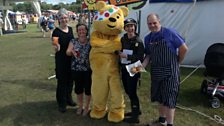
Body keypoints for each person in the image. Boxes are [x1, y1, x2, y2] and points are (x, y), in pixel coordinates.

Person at [142, 13, 188, 126]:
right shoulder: (147, 38)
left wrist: (178, 61)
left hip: (170, 72)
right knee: (160, 97)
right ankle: (162, 121)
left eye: (154, 23)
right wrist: (141, 66)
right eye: (149, 24)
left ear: (159, 21)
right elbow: (148, 55)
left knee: (169, 99)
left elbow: (184, 48)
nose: (152, 25)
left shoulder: (170, 33)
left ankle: (170, 124)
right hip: (156, 72)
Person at [118, 18, 144, 123]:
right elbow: (121, 50)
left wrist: (127, 56)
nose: (130, 28)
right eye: (128, 26)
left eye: (132, 26)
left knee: (132, 91)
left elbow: (140, 58)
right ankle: (136, 110)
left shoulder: (138, 41)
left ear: (135, 27)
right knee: (128, 90)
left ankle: (135, 117)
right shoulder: (123, 39)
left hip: (135, 67)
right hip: (124, 67)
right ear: (125, 28)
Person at [52, 8, 76, 113]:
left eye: (65, 17)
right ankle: (61, 103)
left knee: (70, 81)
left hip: (71, 59)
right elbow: (55, 42)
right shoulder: (56, 31)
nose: (64, 19)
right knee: (62, 82)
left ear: (68, 18)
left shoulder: (70, 29)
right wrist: (56, 45)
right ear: (58, 19)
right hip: (61, 60)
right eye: (61, 18)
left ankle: (69, 99)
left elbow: (73, 41)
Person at [66, 23, 92, 116]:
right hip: (76, 69)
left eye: (83, 29)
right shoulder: (73, 41)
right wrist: (71, 51)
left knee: (88, 89)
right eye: (79, 30)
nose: (81, 31)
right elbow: (68, 52)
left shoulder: (91, 41)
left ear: (86, 31)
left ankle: (87, 107)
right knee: (78, 89)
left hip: (88, 69)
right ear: (77, 31)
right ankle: (80, 106)